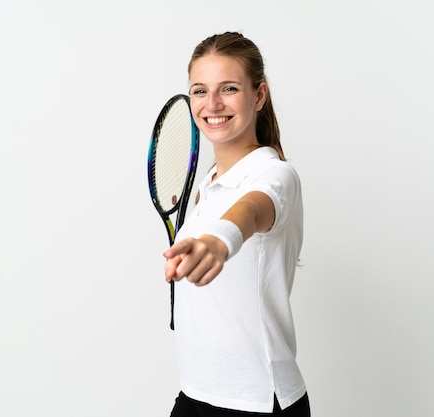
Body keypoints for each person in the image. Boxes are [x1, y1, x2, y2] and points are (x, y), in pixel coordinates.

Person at [163, 32, 310, 417]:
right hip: (195, 393)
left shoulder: (276, 175)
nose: (212, 104)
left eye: (228, 88)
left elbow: (251, 211)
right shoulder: (206, 185)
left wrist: (219, 240)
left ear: (258, 96)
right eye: (199, 91)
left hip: (257, 401)